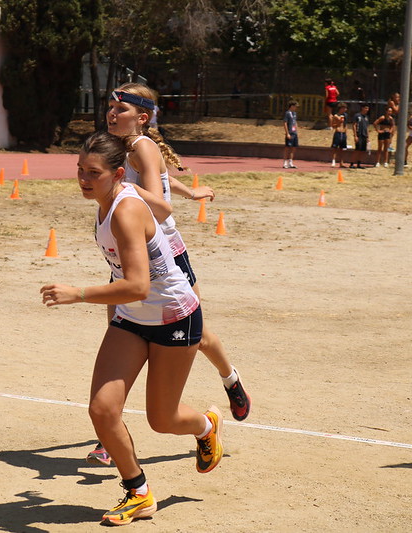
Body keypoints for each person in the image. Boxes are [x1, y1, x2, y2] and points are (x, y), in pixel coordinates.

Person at [40, 131, 224, 526]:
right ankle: (138, 492)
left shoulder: (125, 211)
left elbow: (139, 285)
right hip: (132, 317)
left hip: (173, 315)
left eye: (93, 173)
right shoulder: (108, 201)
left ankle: (206, 426)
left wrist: (78, 294)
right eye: (80, 170)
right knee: (103, 409)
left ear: (118, 174)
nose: (83, 179)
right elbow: (160, 218)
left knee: (163, 419)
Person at [85, 83, 252, 468]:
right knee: (121, 333)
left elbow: (159, 207)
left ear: (141, 117)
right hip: (129, 253)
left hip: (165, 254)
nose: (112, 113)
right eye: (110, 106)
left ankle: (230, 379)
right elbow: (158, 181)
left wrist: (123, 188)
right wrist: (189, 191)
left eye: (121, 109)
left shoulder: (141, 146)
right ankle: (109, 431)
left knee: (196, 332)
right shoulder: (121, 148)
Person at [350, 102, 370, 169]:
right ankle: (352, 163)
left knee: (362, 150)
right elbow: (354, 125)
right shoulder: (357, 116)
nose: (367, 110)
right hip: (359, 135)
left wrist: (368, 137)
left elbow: (367, 127)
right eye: (366, 108)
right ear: (362, 108)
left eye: (368, 108)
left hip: (364, 135)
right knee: (357, 149)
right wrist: (355, 135)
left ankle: (359, 163)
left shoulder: (366, 117)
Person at [329, 102, 348, 168]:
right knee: (335, 148)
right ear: (341, 108)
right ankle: (333, 161)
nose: (345, 110)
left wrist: (346, 132)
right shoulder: (336, 116)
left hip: (343, 133)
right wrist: (339, 123)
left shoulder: (345, 115)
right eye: (344, 108)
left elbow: (345, 125)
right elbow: (333, 125)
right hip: (338, 132)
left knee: (342, 149)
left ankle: (341, 162)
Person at [283, 100, 298, 169]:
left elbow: (295, 122)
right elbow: (285, 123)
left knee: (294, 148)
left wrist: (296, 130)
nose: (296, 108)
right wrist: (287, 133)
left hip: (294, 133)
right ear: (291, 106)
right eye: (295, 106)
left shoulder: (295, 113)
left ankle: (290, 162)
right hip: (290, 133)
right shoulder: (287, 113)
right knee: (287, 148)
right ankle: (285, 162)